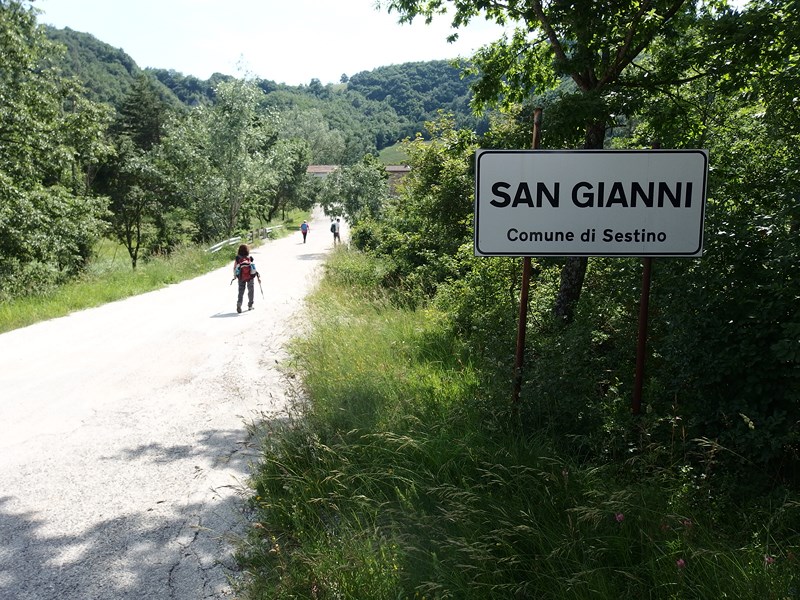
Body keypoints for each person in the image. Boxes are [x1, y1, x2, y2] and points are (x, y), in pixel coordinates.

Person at [233, 243, 258, 313]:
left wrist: (235, 275)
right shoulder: (249, 258)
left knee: (241, 290)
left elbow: (235, 267)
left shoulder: (238, 258)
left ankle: (239, 304)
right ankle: (250, 305)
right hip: (250, 276)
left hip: (241, 276)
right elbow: (253, 268)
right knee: (251, 290)